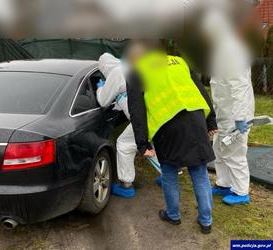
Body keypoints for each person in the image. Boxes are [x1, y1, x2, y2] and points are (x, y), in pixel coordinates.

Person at [126, 40, 217, 234]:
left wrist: (142, 143)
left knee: (169, 172)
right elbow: (201, 91)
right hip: (195, 118)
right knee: (199, 172)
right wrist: (211, 122)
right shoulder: (180, 62)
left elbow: (136, 109)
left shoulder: (137, 71)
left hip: (166, 125)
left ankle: (173, 215)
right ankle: (206, 221)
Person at [202, 10, 255, 205]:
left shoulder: (232, 50)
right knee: (219, 147)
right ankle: (223, 183)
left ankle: (241, 191)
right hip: (224, 111)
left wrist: (241, 117)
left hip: (235, 114)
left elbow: (239, 85)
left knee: (234, 151)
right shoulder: (222, 49)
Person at [97, 53, 161, 198]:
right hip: (155, 112)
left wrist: (100, 88)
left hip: (141, 118)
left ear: (103, 67)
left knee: (124, 144)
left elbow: (102, 101)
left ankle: (126, 185)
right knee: (152, 145)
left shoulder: (115, 73)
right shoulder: (131, 67)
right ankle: (169, 174)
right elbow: (125, 96)